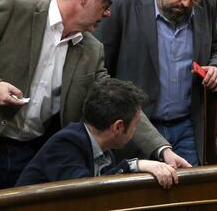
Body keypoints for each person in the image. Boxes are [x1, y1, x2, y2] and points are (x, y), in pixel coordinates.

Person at [0, 0, 188, 190]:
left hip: (39, 150)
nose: (108, 13)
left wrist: (162, 149)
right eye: (107, 2)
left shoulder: (92, 50)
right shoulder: (15, 8)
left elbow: (119, 103)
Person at [94, 0, 217, 166]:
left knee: (189, 195)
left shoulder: (207, 3)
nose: (187, 2)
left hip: (187, 127)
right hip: (134, 128)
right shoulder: (122, 4)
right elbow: (100, 68)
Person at [16, 78, 178, 189]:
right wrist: (135, 165)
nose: (136, 130)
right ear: (118, 127)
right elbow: (86, 194)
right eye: (136, 124)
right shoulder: (66, 144)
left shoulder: (104, 150)